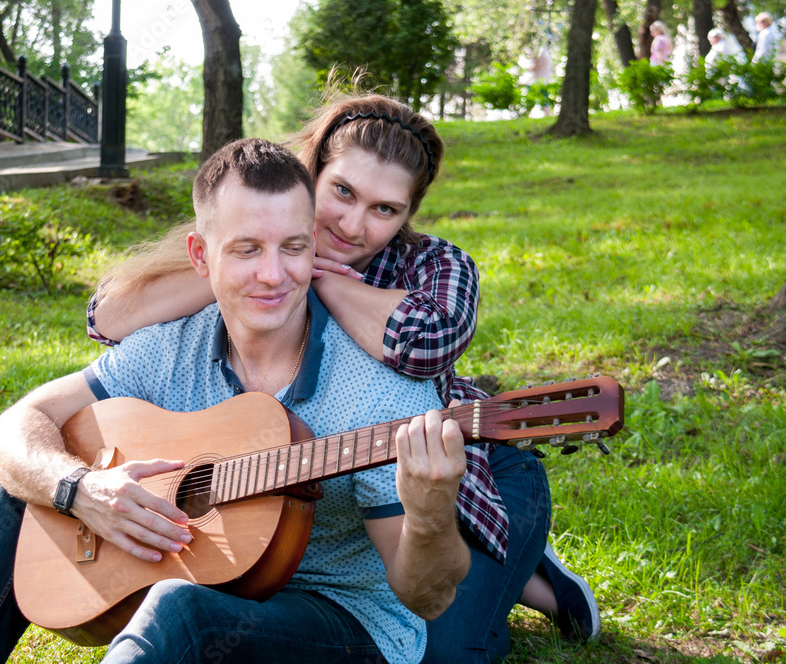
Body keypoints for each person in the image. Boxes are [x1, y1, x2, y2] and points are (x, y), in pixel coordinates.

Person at [88, 93, 599, 661]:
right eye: (342, 192)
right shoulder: (261, 225)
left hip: (470, 462)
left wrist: (322, 277)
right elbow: (105, 319)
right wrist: (260, 263)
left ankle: (532, 577)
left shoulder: (432, 265)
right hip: (347, 474)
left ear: (407, 216)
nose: (353, 226)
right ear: (312, 174)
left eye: (386, 209)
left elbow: (425, 343)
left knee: (444, 649)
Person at [0, 137, 471, 664]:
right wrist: (80, 489)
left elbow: (425, 597)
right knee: (37, 473)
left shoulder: (382, 391)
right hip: (208, 581)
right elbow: (8, 429)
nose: (274, 275)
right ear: (201, 256)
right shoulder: (169, 345)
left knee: (182, 612)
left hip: (340, 620)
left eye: (293, 248)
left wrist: (431, 511)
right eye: (247, 249)